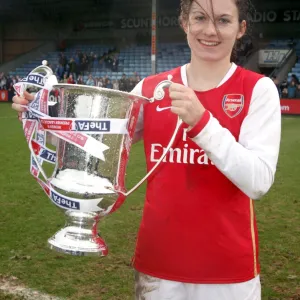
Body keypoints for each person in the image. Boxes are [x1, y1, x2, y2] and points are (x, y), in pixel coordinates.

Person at [12, 0, 281, 299]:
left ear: (241, 28)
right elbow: (95, 147)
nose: (210, 30)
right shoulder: (150, 89)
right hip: (157, 267)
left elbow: (258, 181)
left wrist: (202, 123)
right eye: (200, 18)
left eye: (224, 20)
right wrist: (42, 120)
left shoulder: (258, 90)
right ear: (184, 23)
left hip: (228, 271)